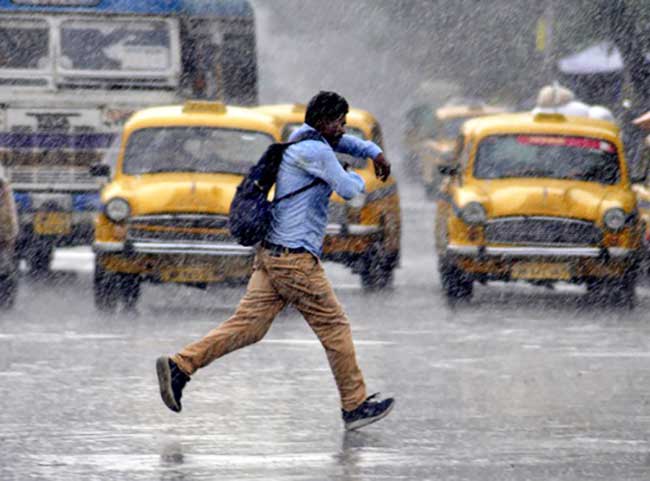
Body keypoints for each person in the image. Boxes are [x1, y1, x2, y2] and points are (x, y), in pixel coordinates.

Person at [156, 91, 395, 431]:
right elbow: (351, 191)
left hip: (272, 256)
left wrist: (374, 153)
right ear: (325, 124)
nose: (344, 130)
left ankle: (180, 366)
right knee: (335, 327)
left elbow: (350, 144)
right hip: (295, 261)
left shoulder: (300, 139)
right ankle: (355, 405)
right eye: (340, 123)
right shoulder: (316, 152)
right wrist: (348, 172)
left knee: (249, 327)